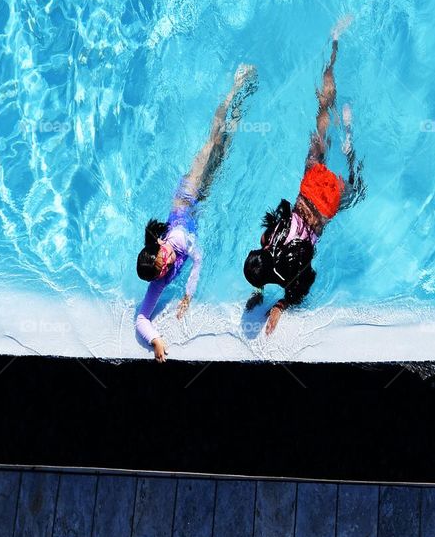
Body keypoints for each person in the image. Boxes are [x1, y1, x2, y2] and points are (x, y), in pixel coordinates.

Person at [243, 21, 364, 335]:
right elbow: (267, 245)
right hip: (308, 188)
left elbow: (305, 285)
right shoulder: (268, 241)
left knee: (357, 187)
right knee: (321, 118)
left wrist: (279, 304)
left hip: (325, 206)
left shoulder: (287, 273)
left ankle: (350, 144)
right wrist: (258, 289)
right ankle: (333, 51)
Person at [136, 63, 257, 361]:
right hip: (198, 204)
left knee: (212, 140)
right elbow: (141, 319)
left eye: (163, 262)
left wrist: (189, 294)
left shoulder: (175, 240)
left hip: (188, 193)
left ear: (159, 249)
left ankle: (234, 87)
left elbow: (198, 256)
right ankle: (241, 103)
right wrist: (156, 341)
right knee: (225, 149)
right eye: (162, 269)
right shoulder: (159, 278)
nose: (166, 267)